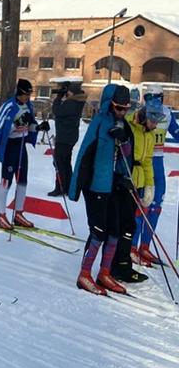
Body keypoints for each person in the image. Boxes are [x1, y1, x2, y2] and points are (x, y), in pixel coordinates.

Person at [69, 84, 138, 295]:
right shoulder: (99, 122)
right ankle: (84, 274)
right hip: (95, 186)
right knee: (98, 232)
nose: (122, 112)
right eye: (118, 107)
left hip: (114, 187)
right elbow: (84, 155)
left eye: (125, 108)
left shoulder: (123, 125)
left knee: (115, 233)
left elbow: (127, 158)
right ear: (110, 104)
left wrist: (124, 141)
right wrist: (75, 188)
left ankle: (104, 272)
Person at [0, 79, 50, 230]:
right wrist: (18, 123)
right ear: (20, 93)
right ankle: (2, 216)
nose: (29, 97)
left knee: (22, 181)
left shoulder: (28, 106)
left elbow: (31, 126)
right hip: (10, 147)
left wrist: (39, 127)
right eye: (27, 94)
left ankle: (19, 213)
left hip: (21, 146)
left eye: (30, 94)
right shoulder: (8, 106)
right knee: (6, 181)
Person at [108, 99, 159, 283]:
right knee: (122, 225)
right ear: (145, 116)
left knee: (129, 225)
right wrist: (121, 177)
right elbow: (121, 155)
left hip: (136, 183)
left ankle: (122, 264)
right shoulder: (129, 126)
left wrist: (149, 186)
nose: (155, 125)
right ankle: (117, 265)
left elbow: (147, 162)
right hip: (122, 182)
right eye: (153, 120)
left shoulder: (150, 134)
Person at [131, 86, 179, 266]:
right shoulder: (138, 114)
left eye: (156, 97)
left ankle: (145, 245)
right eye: (148, 97)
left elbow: (176, 132)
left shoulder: (167, 113)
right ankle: (132, 247)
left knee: (156, 205)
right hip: (143, 163)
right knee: (141, 205)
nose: (152, 101)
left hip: (157, 163)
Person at [48, 82, 86, 197]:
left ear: (72, 92)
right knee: (65, 162)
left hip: (64, 137)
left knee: (59, 163)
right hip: (69, 136)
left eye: (68, 91)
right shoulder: (78, 102)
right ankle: (68, 186)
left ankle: (60, 187)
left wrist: (58, 98)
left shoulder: (71, 103)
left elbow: (57, 111)